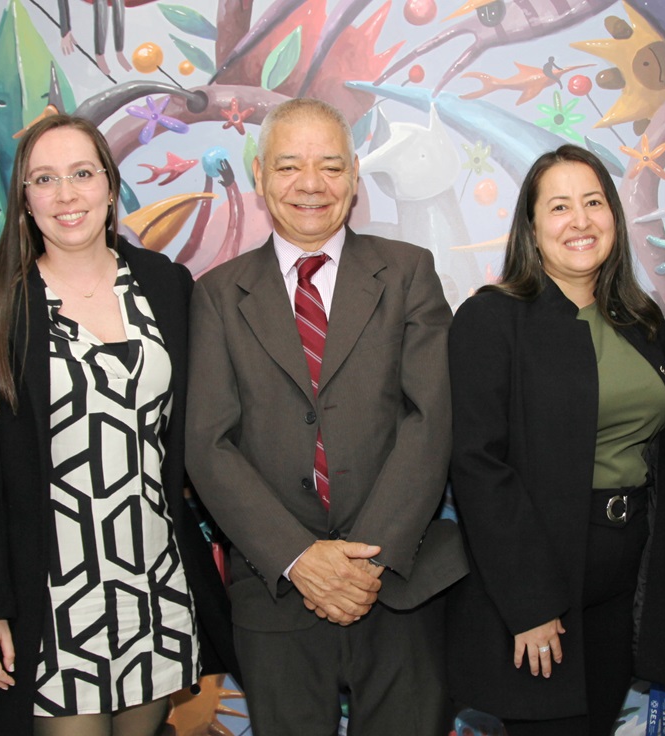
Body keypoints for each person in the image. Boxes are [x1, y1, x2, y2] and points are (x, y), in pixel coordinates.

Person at [0, 114, 237, 735]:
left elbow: (198, 431)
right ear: (24, 200)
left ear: (110, 185)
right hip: (52, 596)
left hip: (153, 584)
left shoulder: (166, 285)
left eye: (82, 173)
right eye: (44, 179)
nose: (66, 194)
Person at [184, 97, 466, 735]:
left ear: (356, 176)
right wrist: (298, 557)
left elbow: (432, 418)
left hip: (400, 583)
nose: (311, 184)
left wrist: (366, 559)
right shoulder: (218, 295)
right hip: (276, 590)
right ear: (260, 177)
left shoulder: (409, 272)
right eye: (289, 166)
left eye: (331, 166)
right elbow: (208, 444)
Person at [446, 145, 665, 735]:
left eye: (594, 202)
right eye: (559, 206)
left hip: (630, 578)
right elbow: (477, 466)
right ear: (531, 227)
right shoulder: (491, 320)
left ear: (615, 218)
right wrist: (530, 604)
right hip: (541, 583)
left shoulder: (642, 320)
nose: (580, 221)